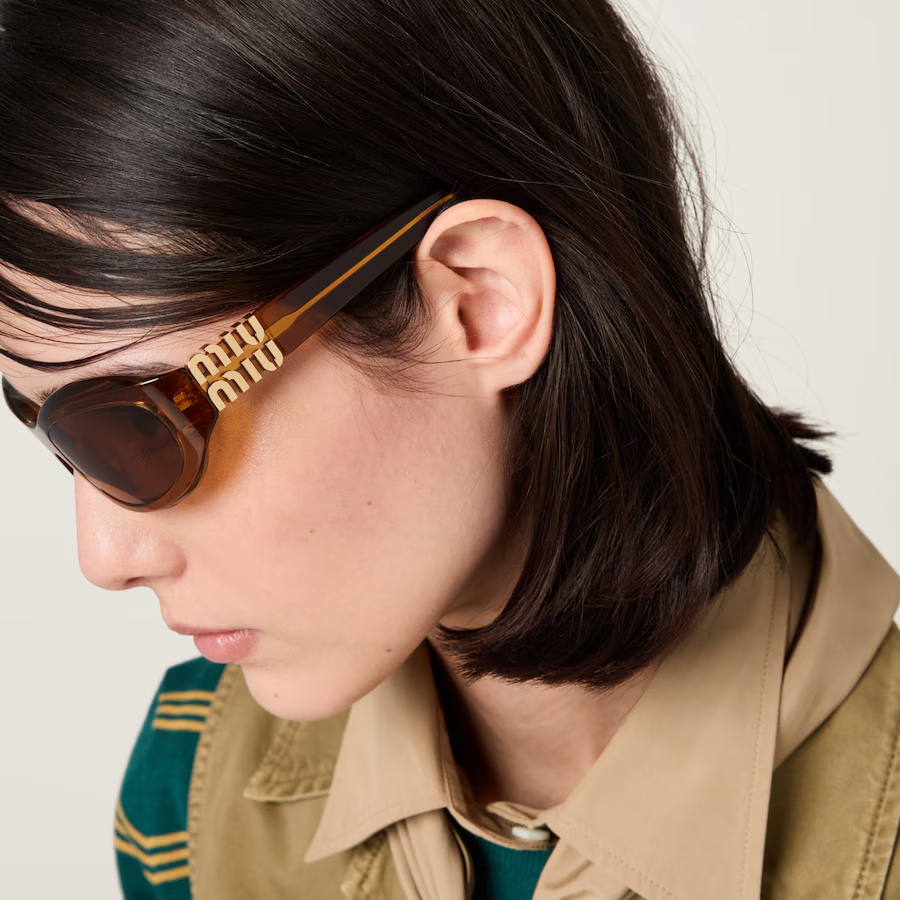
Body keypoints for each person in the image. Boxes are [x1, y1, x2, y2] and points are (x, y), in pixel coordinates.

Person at [1, 1, 898, 898]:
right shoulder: (188, 794)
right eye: (55, 437)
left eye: (137, 429)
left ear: (480, 303)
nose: (104, 556)